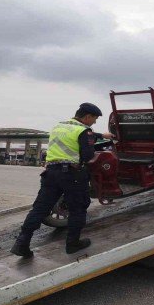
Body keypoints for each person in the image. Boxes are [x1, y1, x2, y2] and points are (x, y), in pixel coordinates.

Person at [11, 103, 115, 257]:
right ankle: (73, 244)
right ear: (87, 117)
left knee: (40, 208)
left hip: (51, 173)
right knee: (78, 209)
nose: (94, 122)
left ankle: (21, 243)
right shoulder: (84, 131)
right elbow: (87, 155)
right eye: (94, 119)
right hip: (72, 175)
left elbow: (77, 136)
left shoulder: (59, 127)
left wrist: (100, 135)